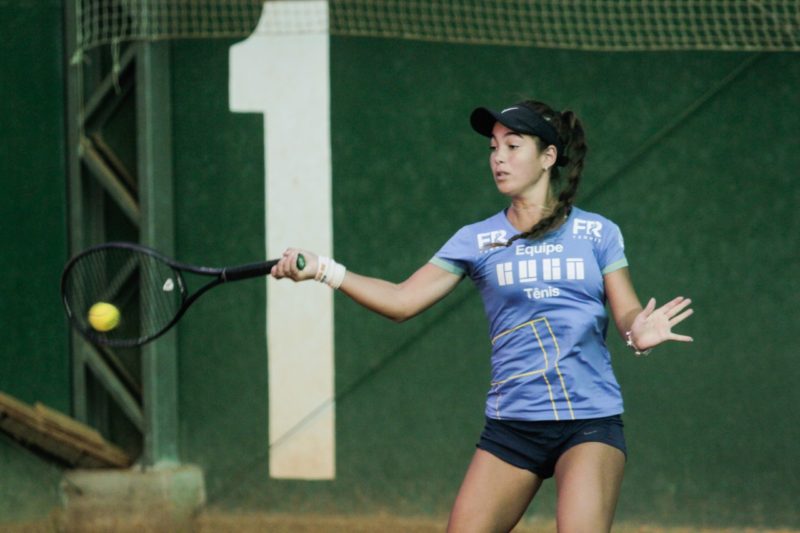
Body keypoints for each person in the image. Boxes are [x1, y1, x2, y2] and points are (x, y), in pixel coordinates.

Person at [271, 99, 694, 532]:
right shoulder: (476, 240)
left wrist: (636, 331)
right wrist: (324, 269)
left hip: (588, 423)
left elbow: (625, 309)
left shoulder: (598, 233)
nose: (498, 159)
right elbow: (401, 300)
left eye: (512, 146)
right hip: (512, 427)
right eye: (493, 148)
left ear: (548, 157)